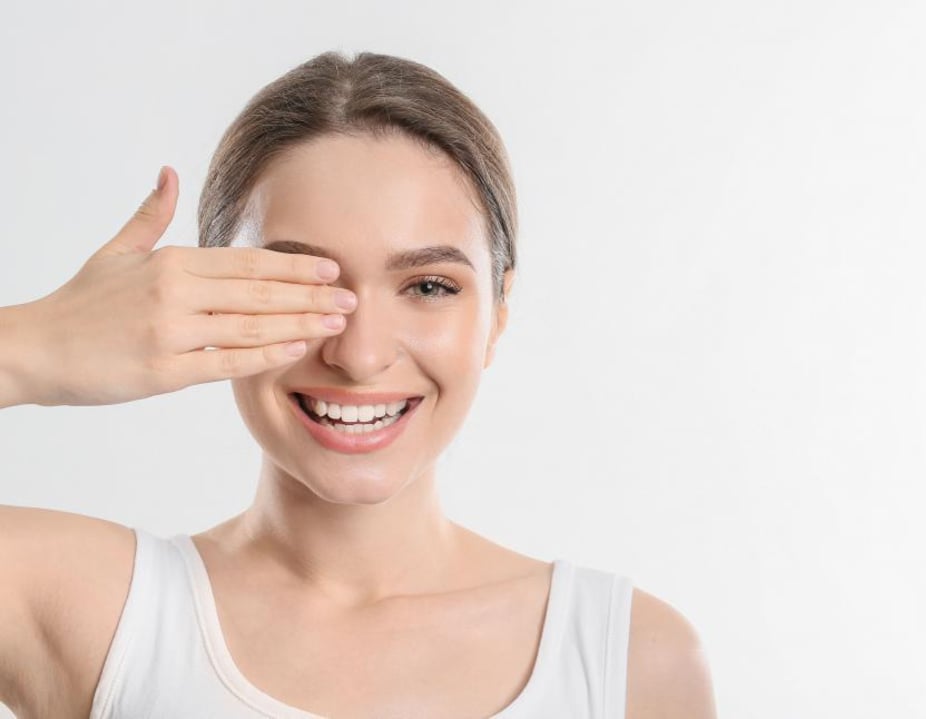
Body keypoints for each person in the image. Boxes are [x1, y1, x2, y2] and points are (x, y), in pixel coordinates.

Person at [0, 51, 716, 718]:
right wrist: (35, 345)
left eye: (429, 285)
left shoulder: (630, 660)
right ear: (210, 292)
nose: (361, 354)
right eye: (299, 284)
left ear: (498, 310)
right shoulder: (88, 609)